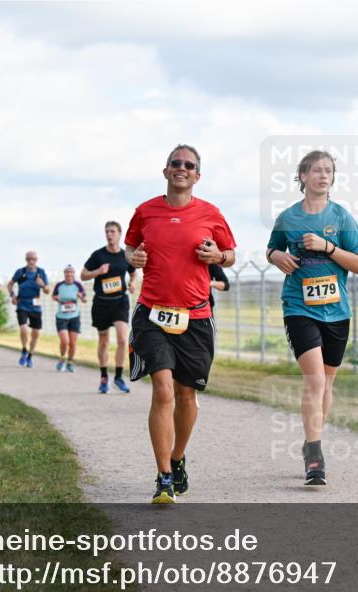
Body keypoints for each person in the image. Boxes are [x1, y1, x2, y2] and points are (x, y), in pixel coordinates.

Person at [126, 144, 236, 503]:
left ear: (197, 176)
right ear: (165, 171)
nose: (181, 168)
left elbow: (230, 254)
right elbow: (130, 249)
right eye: (175, 163)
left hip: (196, 316)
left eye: (189, 165)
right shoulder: (145, 212)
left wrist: (217, 256)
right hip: (152, 313)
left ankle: (176, 459)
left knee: (187, 396)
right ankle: (163, 478)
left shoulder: (210, 213)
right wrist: (135, 257)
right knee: (163, 389)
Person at [266, 149, 358, 486]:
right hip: (299, 307)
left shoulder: (342, 218)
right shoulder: (288, 218)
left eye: (329, 171)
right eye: (317, 170)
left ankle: (311, 439)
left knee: (327, 383)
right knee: (315, 381)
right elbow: (272, 250)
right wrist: (278, 255)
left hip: (336, 312)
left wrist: (327, 247)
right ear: (303, 177)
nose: (324, 176)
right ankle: (315, 456)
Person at [82, 221, 139, 394]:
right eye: (107, 232)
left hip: (120, 301)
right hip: (101, 303)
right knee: (104, 341)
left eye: (112, 231)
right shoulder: (98, 255)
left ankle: (119, 377)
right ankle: (104, 377)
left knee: (123, 339)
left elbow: (134, 271)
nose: (109, 234)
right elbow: (83, 275)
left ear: (119, 234)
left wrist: (133, 283)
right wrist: (98, 271)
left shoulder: (125, 256)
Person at [7, 251, 49, 368]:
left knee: (35, 333)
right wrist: (12, 295)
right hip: (22, 304)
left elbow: (47, 291)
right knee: (24, 329)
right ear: (26, 260)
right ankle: (24, 350)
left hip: (36, 305)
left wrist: (42, 286)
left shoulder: (41, 272)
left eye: (33, 259)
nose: (31, 261)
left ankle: (30, 356)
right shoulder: (20, 272)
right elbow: (10, 284)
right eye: (29, 259)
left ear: (37, 260)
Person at [52, 265, 88, 372]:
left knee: (72, 343)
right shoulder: (59, 285)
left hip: (74, 317)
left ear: (74, 274)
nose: (69, 274)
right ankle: (62, 358)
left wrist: (81, 296)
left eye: (71, 272)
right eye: (67, 272)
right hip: (61, 317)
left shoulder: (78, 285)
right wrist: (56, 298)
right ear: (64, 274)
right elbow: (53, 296)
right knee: (64, 341)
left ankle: (70, 362)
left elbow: (85, 299)